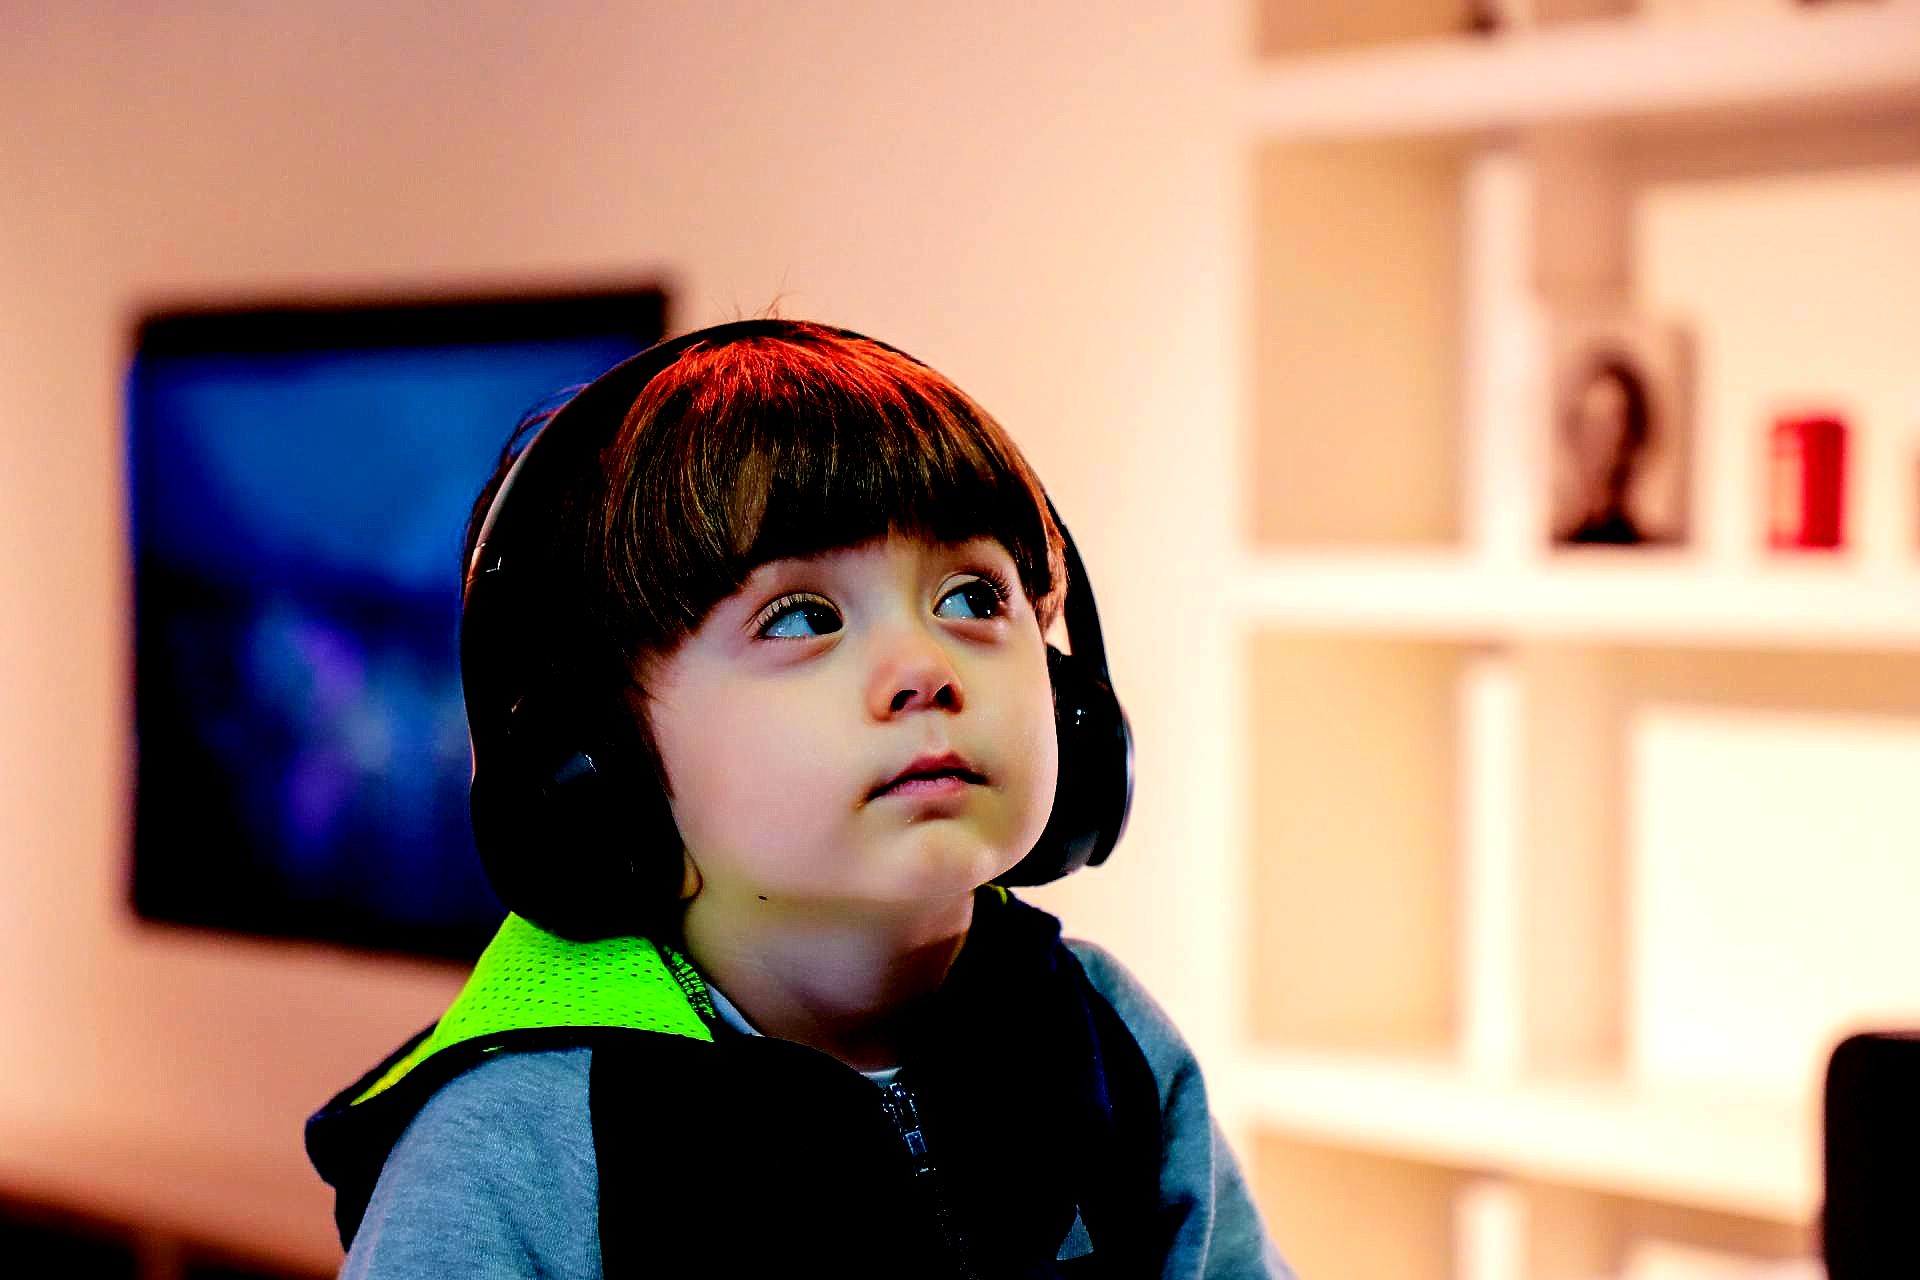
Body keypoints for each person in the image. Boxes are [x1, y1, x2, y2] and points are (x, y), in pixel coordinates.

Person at [305, 318, 1290, 1278]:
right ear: (598, 766)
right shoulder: (518, 1141)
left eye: (975, 599)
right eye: (804, 617)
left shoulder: (1107, 1037)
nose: (923, 667)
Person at [1556, 350, 1655, 546]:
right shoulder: (1558, 543)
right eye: (1587, 422)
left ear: (1631, 438)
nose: (1595, 439)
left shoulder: (1654, 550)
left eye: (1609, 423)